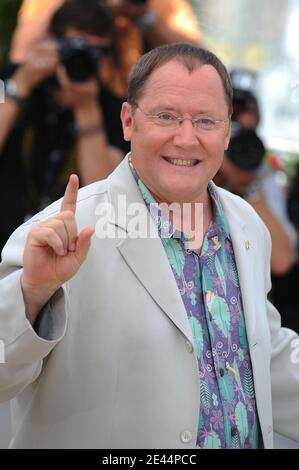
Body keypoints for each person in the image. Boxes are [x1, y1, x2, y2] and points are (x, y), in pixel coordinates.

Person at [0, 43, 299, 449]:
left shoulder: (247, 222)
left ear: (228, 132)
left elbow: (262, 351)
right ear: (128, 121)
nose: (186, 138)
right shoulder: (65, 230)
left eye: (206, 121)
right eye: (166, 116)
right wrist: (31, 294)